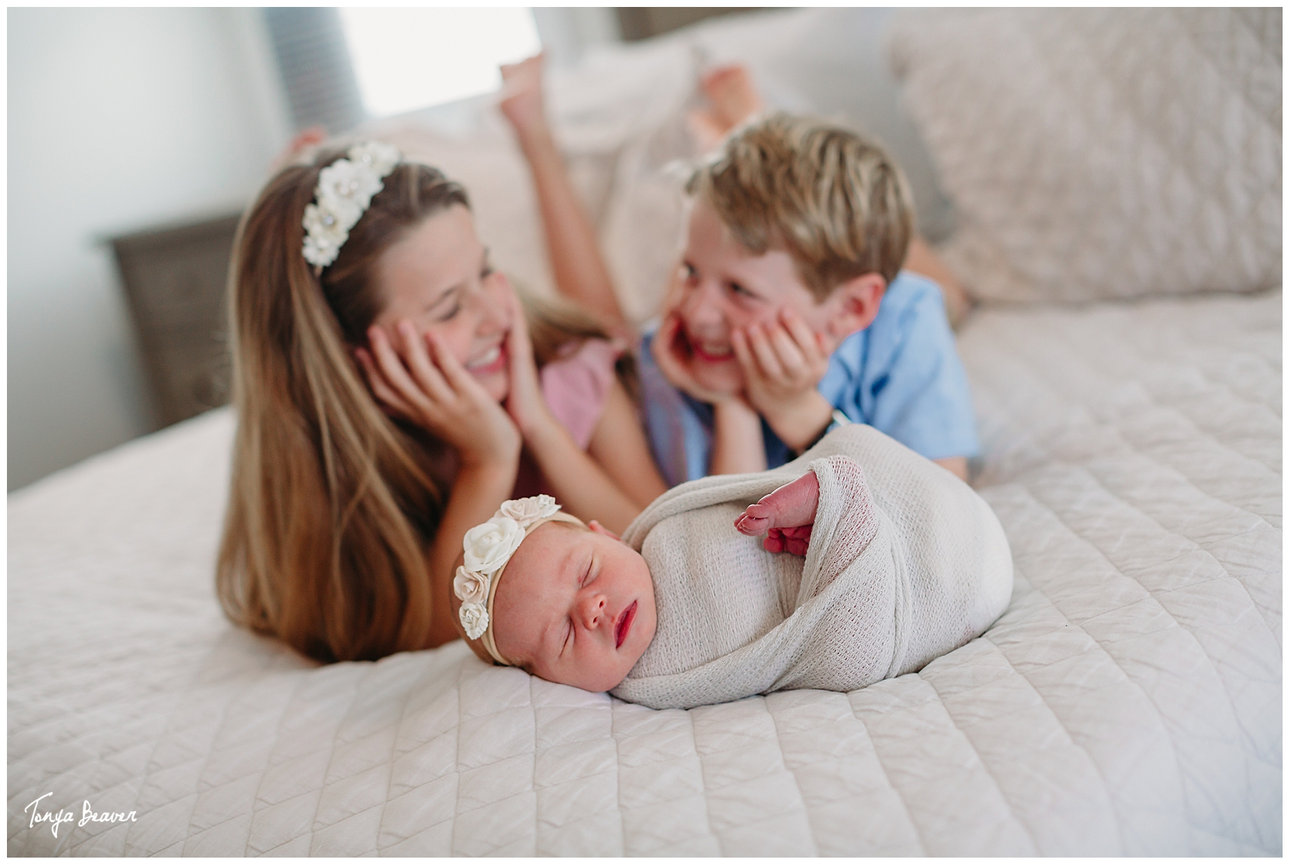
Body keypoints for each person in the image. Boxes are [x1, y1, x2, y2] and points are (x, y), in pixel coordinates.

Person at [216, 136, 667, 664]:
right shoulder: (340, 473)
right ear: (351, 354)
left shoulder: (565, 370)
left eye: (484, 271)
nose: (498, 318)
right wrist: (488, 460)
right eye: (449, 308)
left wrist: (541, 431)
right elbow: (427, 643)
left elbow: (658, 542)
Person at [501, 56, 979, 487]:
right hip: (722, 311)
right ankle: (542, 136)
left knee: (947, 294)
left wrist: (801, 414)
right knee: (601, 339)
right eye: (688, 271)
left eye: (739, 290)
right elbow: (725, 549)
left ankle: (752, 130)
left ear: (852, 308)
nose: (698, 311)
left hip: (861, 296)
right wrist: (735, 403)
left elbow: (939, 508)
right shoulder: (673, 354)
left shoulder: (908, 315)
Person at [448, 424, 1014, 710]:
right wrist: (836, 515)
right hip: (904, 588)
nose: (592, 609)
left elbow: (741, 494)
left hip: (910, 509)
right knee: (854, 652)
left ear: (606, 534)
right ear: (548, 682)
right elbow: (803, 655)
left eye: (587, 572)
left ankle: (847, 504)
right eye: (565, 633)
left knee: (852, 442)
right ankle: (848, 510)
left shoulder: (659, 528)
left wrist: (794, 500)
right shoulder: (659, 680)